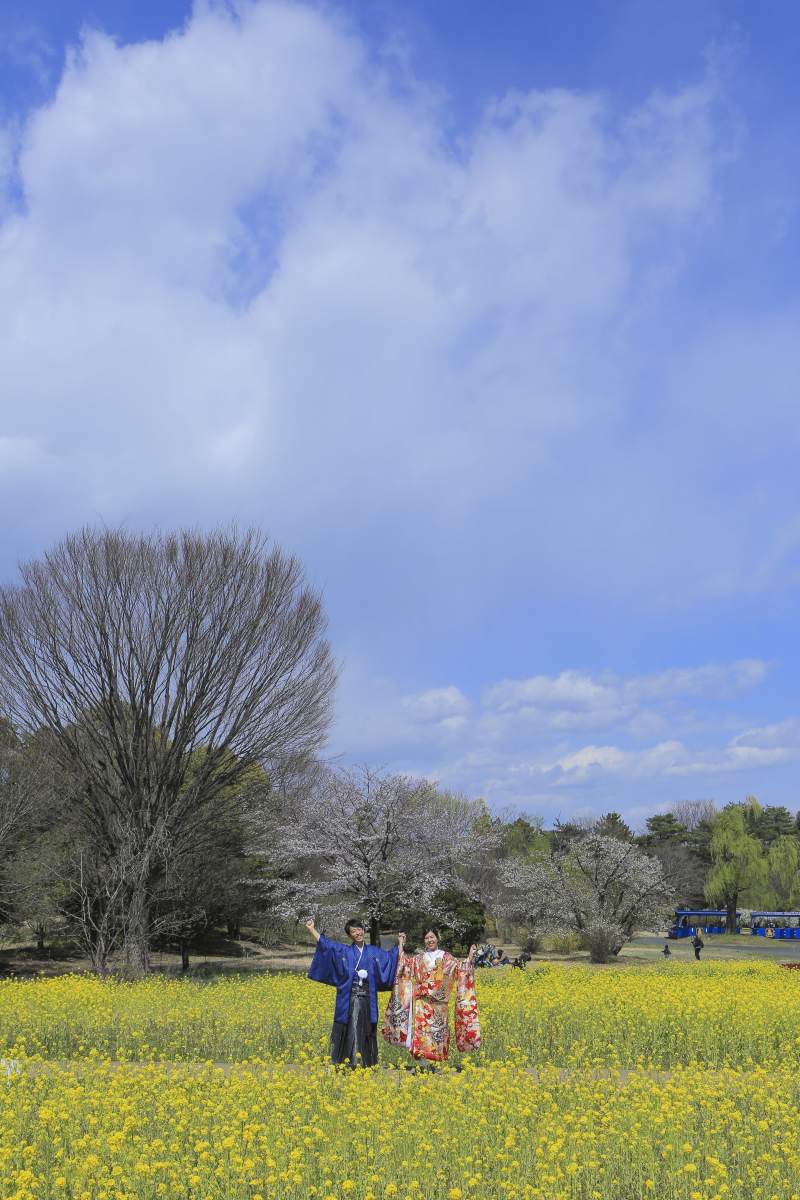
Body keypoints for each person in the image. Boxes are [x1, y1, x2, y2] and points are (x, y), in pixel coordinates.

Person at [306, 916, 401, 1067]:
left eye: (359, 929)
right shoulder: (345, 951)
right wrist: (311, 929)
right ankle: (352, 1062)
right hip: (351, 996)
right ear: (350, 935)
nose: (358, 933)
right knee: (352, 1027)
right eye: (353, 931)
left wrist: (400, 944)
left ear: (363, 930)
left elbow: (390, 957)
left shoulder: (374, 952)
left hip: (368, 997)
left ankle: (367, 1063)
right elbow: (327, 945)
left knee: (367, 1027)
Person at [381, 926, 481, 1063]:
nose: (429, 940)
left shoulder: (447, 957)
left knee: (438, 1033)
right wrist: (401, 944)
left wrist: (470, 957)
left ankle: (437, 1063)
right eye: (427, 938)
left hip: (440, 1005)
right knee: (422, 1034)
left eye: (432, 937)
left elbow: (461, 969)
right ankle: (423, 1064)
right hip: (422, 1003)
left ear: (437, 938)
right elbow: (404, 964)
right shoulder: (418, 958)